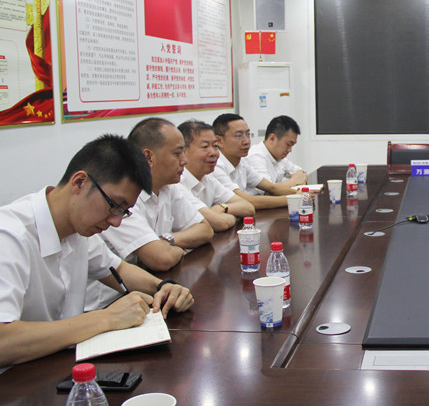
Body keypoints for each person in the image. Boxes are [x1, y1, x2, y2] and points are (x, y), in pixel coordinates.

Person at [0, 135, 194, 369]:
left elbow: (119, 270)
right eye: (114, 206)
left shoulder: (79, 229)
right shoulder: (9, 236)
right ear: (79, 183)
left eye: (124, 211)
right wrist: (107, 318)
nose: (116, 222)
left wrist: (164, 288)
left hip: (60, 366)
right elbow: (3, 342)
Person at [85, 119, 214, 311]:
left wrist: (167, 240)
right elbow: (160, 258)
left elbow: (205, 230)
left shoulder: (169, 188)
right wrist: (174, 250)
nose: (184, 161)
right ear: (148, 157)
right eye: (178, 153)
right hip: (108, 304)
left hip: (140, 294)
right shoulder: (122, 197)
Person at [178, 120, 255, 231]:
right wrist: (233, 216)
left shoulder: (207, 178)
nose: (214, 153)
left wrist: (222, 208)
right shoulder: (178, 183)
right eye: (205, 147)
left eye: (215, 146)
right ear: (183, 151)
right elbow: (221, 223)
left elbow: (248, 207)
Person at [212, 113, 294, 209]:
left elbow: (272, 187)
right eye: (238, 136)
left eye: (248, 135)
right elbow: (246, 201)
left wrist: (300, 193)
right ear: (219, 141)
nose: (246, 141)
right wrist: (294, 199)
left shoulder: (241, 162)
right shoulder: (216, 166)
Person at [245, 115, 307, 188]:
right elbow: (269, 190)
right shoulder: (256, 157)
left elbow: (302, 173)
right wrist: (295, 180)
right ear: (272, 139)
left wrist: (294, 181)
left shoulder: (279, 157)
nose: (290, 150)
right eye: (288, 144)